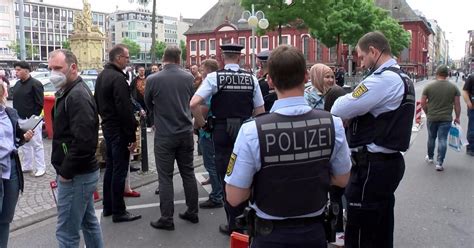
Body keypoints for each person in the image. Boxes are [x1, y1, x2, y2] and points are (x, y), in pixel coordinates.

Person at [225, 45, 351, 247]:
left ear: (270, 81)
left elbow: (234, 196)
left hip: (270, 235)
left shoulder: (252, 131)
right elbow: (342, 179)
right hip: (314, 233)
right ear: (306, 76)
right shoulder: (332, 124)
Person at [331, 31, 415, 248]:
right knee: (381, 226)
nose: (360, 62)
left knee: (360, 231)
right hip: (388, 163)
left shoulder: (382, 80)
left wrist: (351, 113)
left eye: (361, 56)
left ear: (373, 51)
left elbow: (339, 107)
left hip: (370, 167)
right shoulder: (403, 77)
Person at [190, 43, 264, 235]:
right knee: (249, 172)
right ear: (239, 58)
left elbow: (194, 103)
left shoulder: (214, 77)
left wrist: (203, 124)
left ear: (223, 58)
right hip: (245, 130)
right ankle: (248, 218)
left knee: (226, 174)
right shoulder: (251, 79)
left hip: (221, 131)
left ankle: (233, 222)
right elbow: (260, 111)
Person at [48, 49, 104, 247]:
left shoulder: (77, 95)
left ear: (73, 68)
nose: (53, 73)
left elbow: (84, 142)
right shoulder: (70, 90)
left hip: (75, 175)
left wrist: (65, 172)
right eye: (50, 68)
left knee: (66, 234)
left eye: (57, 68)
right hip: (79, 174)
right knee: (88, 223)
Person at [146, 45, 199, 231]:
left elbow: (148, 104)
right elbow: (193, 102)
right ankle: (193, 212)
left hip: (165, 134)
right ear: (179, 59)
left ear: (164, 58)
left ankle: (167, 218)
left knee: (165, 177)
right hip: (185, 132)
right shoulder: (188, 77)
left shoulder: (153, 79)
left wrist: (156, 116)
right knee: (188, 172)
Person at [95, 44, 141, 223]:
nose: (128, 60)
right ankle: (119, 211)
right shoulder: (118, 78)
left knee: (111, 168)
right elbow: (125, 109)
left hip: (108, 126)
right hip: (119, 130)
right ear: (118, 58)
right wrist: (131, 136)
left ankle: (108, 206)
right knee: (119, 171)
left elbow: (97, 102)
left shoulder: (102, 76)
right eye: (127, 57)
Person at [0, 80, 34, 248]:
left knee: (6, 217)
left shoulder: (9, 113)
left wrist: (23, 138)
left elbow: (14, 139)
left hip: (11, 168)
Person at [420, 65, 461, 171]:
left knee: (431, 138)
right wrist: (457, 117)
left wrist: (427, 112)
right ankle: (439, 163)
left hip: (432, 117)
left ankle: (430, 157)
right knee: (442, 139)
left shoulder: (429, 86)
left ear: (437, 73)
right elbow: (457, 104)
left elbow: (423, 102)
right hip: (446, 118)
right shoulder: (454, 87)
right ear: (447, 74)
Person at [12, 61, 46, 177]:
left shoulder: (35, 84)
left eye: (18, 70)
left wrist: (34, 119)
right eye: (16, 70)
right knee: (24, 143)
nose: (16, 72)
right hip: (19, 118)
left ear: (26, 70)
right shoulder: (17, 84)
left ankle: (41, 167)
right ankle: (27, 166)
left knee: (37, 144)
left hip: (32, 119)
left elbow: (40, 103)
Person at [197, 59, 223, 209]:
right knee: (215, 161)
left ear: (207, 69)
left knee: (211, 163)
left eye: (202, 67)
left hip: (208, 130)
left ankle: (216, 196)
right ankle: (217, 187)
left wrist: (198, 124)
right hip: (218, 128)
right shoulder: (218, 82)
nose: (200, 69)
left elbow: (203, 107)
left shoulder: (209, 84)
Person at [462, 74, 474, 156]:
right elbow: (465, 91)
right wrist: (469, 103)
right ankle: (470, 148)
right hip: (473, 108)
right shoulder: (472, 77)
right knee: (472, 128)